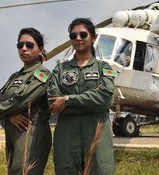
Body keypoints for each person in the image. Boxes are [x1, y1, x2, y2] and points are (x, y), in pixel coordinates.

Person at [48, 18, 115, 175]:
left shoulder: (103, 67)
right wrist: (91, 103)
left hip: (97, 137)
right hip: (67, 138)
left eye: (83, 34)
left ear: (93, 38)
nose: (78, 38)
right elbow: (52, 102)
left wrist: (67, 100)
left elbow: (104, 99)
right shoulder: (60, 69)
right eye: (73, 35)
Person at [0, 28, 52, 175]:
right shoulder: (14, 76)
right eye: (20, 45)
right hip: (12, 133)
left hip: (30, 134)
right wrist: (8, 116)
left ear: (41, 49)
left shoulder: (42, 74)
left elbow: (20, 102)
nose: (23, 49)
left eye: (29, 45)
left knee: (22, 171)